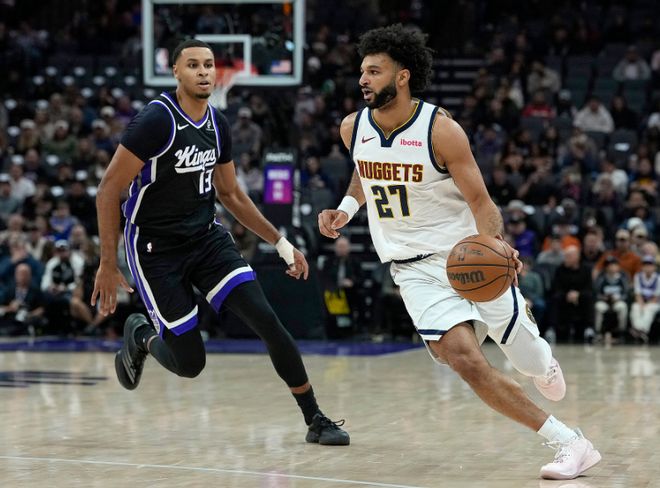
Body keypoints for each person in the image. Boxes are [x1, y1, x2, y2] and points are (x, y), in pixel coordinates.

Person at [317, 25, 599, 480]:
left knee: (527, 359)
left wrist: (496, 245)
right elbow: (364, 173)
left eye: (374, 71)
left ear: (403, 76)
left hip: (467, 257)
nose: (363, 80)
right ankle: (570, 442)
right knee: (465, 360)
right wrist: (346, 209)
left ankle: (542, 362)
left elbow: (482, 202)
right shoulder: (353, 128)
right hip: (411, 269)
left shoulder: (441, 130)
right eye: (362, 71)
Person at [92, 39, 349, 446]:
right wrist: (108, 263)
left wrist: (282, 244)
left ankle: (315, 418)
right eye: (193, 65)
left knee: (268, 321)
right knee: (190, 363)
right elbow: (109, 189)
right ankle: (141, 335)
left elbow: (230, 194)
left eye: (209, 65)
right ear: (176, 72)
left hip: (206, 239)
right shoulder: (156, 120)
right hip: (156, 249)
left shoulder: (218, 124)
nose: (203, 72)